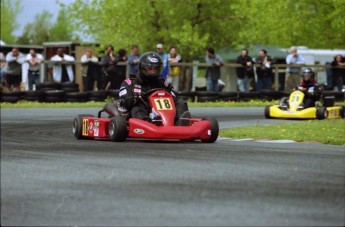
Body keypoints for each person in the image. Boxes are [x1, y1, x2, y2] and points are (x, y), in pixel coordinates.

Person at [118, 52, 189, 125]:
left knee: (181, 102)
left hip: (165, 113)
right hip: (143, 112)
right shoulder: (130, 83)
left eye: (156, 69)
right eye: (150, 68)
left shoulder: (163, 83)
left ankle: (180, 122)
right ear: (142, 68)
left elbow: (175, 97)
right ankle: (148, 123)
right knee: (136, 107)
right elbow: (125, 100)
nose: (153, 71)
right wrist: (134, 99)